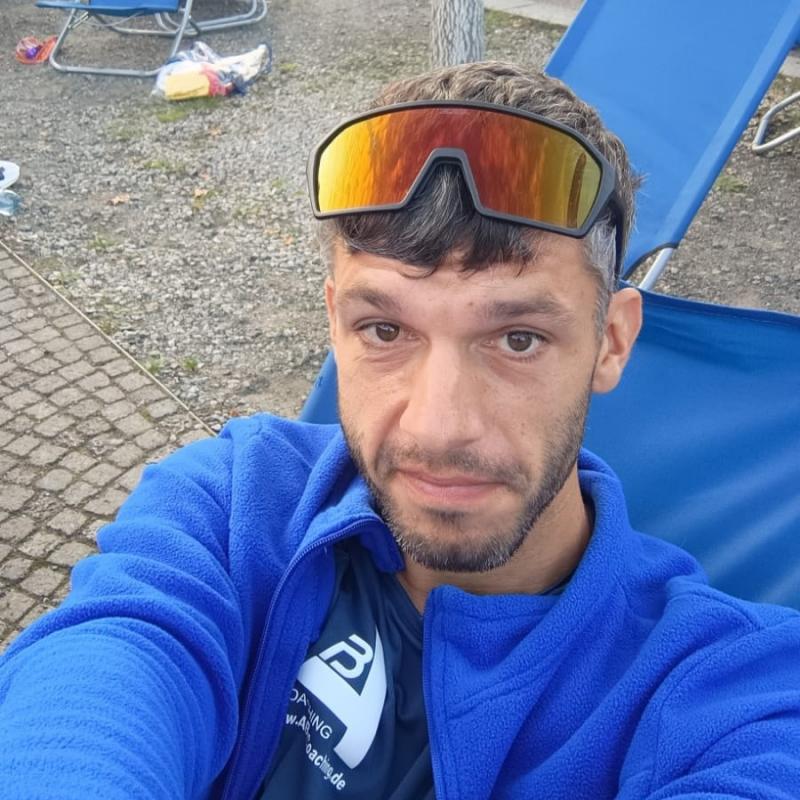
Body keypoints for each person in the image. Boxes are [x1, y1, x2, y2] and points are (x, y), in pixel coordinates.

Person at [1, 61, 799, 800]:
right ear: (335, 324)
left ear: (613, 341)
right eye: (384, 330)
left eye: (518, 338)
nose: (440, 426)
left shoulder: (735, 690)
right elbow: (104, 671)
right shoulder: (234, 503)